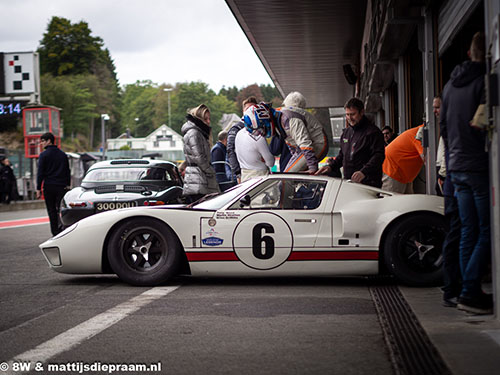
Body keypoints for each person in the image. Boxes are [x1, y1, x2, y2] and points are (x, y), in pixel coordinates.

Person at [440, 32, 492, 314]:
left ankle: (464, 291)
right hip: (477, 166)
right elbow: (483, 123)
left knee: (468, 231)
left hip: (456, 167)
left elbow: (444, 129)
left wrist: (453, 156)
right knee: (486, 231)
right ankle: (470, 291)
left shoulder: (448, 86)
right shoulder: (484, 80)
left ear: (469, 53)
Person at [316, 98, 385, 187]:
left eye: (353, 114)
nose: (349, 118)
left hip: (369, 182)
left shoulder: (373, 132)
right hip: (349, 182)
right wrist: (330, 167)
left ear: (362, 112)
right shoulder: (346, 133)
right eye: (347, 114)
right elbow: (342, 156)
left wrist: (363, 172)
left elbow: (378, 156)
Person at [279, 91, 329, 173]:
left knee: (289, 176)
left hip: (309, 150)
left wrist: (312, 167)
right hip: (308, 152)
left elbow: (304, 143)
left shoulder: (292, 118)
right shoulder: (301, 117)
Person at [181, 104, 219, 203]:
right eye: (206, 119)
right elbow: (199, 157)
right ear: (199, 119)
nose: (209, 122)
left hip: (197, 178)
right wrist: (210, 171)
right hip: (198, 180)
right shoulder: (194, 133)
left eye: (209, 119)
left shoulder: (196, 133)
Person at [36, 132, 71, 236]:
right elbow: (67, 171)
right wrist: (67, 184)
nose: (41, 143)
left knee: (51, 210)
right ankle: (63, 229)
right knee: (61, 209)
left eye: (43, 141)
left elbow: (40, 173)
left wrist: (38, 188)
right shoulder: (63, 154)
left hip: (49, 186)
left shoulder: (43, 155)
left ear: (49, 141)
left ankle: (55, 232)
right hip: (61, 186)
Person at [381, 125, 424, 194]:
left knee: (407, 201)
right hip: (393, 171)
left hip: (403, 173)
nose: (385, 136)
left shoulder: (418, 132)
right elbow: (428, 159)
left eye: (387, 133)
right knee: (393, 201)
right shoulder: (420, 133)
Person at [236, 107, 276, 182]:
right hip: (260, 177)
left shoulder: (239, 134)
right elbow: (271, 162)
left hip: (244, 176)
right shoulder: (259, 139)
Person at [227, 96, 258, 183]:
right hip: (244, 173)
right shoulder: (236, 129)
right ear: (243, 111)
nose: (251, 111)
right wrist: (238, 173)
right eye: (248, 108)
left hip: (259, 172)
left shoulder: (260, 128)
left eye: (253, 109)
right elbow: (230, 150)